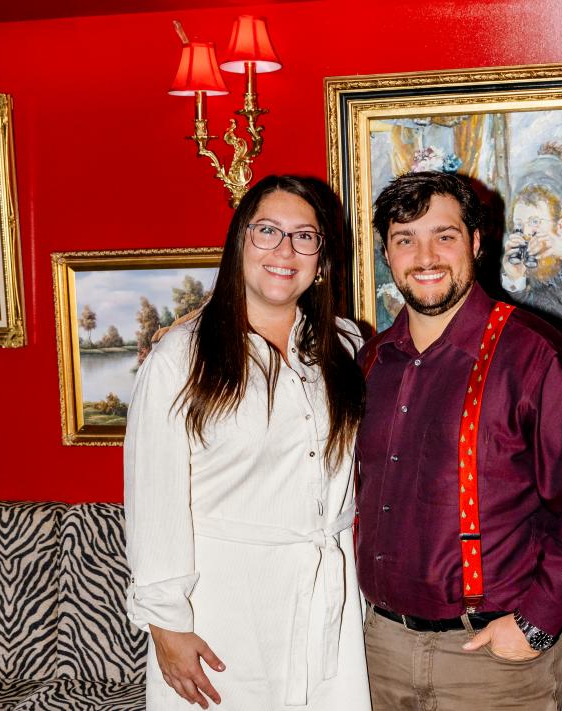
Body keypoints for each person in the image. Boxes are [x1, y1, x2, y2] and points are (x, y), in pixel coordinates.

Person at [356, 170, 562, 710]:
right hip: (379, 652)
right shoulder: (370, 364)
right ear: (387, 254)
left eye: (444, 236)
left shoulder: (537, 357)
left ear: (476, 242)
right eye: (405, 239)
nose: (425, 257)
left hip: (494, 663)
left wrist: (537, 623)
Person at [124, 175, 371, 711]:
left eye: (304, 236)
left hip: (329, 606)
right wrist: (166, 625)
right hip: (223, 611)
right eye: (267, 231)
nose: (285, 250)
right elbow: (155, 500)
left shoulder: (348, 347)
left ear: (322, 260)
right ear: (239, 242)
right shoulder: (179, 359)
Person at [501, 183, 562, 330]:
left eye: (535, 222)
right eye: (519, 224)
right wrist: (515, 278)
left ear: (560, 226)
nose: (526, 232)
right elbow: (523, 320)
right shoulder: (524, 263)